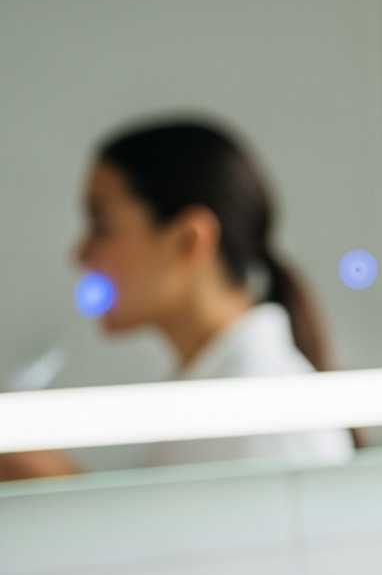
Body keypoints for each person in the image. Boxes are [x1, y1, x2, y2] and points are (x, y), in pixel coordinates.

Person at [0, 120, 353, 481]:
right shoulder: (211, 401)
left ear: (188, 240)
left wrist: (59, 487)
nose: (80, 254)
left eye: (101, 225)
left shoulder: (272, 418)